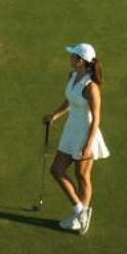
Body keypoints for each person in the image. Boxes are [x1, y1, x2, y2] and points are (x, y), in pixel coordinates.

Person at [42, 42, 109, 233]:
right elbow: (69, 100)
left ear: (81, 61)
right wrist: (54, 115)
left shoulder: (91, 88)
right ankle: (81, 212)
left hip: (86, 134)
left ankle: (81, 217)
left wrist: (88, 145)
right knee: (56, 170)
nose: (69, 58)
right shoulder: (72, 76)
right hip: (71, 131)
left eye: (73, 56)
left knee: (82, 176)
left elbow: (96, 118)